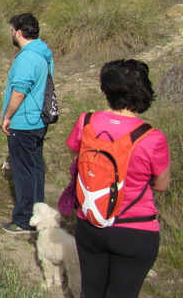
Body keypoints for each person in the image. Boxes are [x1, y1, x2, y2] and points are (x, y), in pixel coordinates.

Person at [67, 59, 170, 298]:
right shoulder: (152, 137)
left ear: (107, 90)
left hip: (91, 222)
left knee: (90, 292)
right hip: (135, 229)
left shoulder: (86, 121)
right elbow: (162, 185)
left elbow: (76, 156)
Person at [0, 13, 54, 233]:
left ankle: (23, 219)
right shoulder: (44, 53)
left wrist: (7, 116)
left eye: (12, 31)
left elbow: (20, 91)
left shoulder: (27, 58)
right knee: (35, 169)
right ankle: (38, 213)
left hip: (24, 121)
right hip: (38, 119)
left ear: (20, 32)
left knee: (24, 173)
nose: (12, 34)